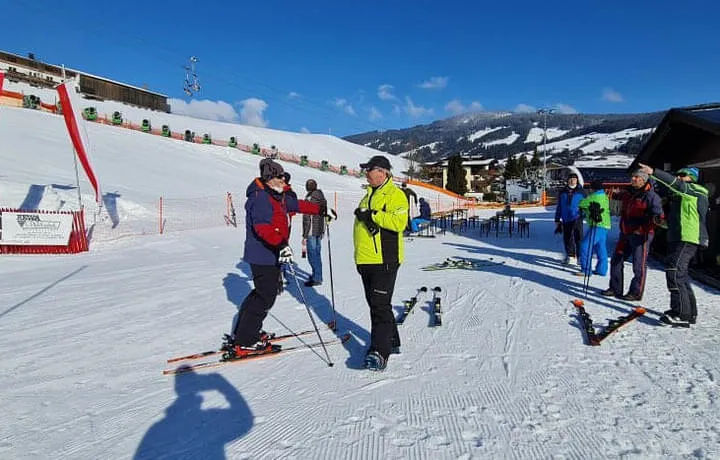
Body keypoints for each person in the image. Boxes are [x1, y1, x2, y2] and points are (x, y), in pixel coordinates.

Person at [225, 158, 332, 357]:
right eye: (281, 177)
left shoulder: (277, 195)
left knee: (260, 294)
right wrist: (281, 244)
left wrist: (321, 210)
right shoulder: (261, 197)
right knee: (266, 296)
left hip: (271, 253)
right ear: (269, 178)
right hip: (263, 254)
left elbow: (297, 204)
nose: (284, 181)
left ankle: (244, 333)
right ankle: (246, 340)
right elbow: (263, 227)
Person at [354, 155, 408, 371]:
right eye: (365, 169)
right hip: (365, 260)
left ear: (383, 172)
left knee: (379, 306)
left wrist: (373, 215)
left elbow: (399, 222)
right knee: (376, 305)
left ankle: (379, 352)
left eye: (370, 169)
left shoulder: (395, 195)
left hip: (384, 260)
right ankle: (391, 341)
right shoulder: (367, 195)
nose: (366, 173)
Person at [638, 163, 709, 327]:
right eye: (679, 174)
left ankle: (681, 314)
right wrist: (662, 222)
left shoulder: (696, 190)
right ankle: (689, 312)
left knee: (674, 272)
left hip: (689, 237)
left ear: (692, 178)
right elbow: (678, 221)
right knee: (680, 274)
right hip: (680, 236)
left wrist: (653, 172)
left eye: (683, 175)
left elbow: (677, 184)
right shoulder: (681, 198)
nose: (679, 177)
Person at [601, 169, 663, 301]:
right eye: (632, 177)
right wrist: (610, 192)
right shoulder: (629, 193)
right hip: (625, 232)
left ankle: (635, 292)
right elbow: (615, 195)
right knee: (616, 260)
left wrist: (648, 222)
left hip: (641, 234)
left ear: (643, 179)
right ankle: (615, 288)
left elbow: (659, 216)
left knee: (638, 265)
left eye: (636, 177)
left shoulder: (651, 196)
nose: (633, 179)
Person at [576, 180, 611, 277]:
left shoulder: (594, 197)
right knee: (600, 247)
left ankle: (586, 270)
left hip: (597, 225)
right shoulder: (604, 196)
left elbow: (581, 203)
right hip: (605, 225)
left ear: (593, 188)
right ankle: (602, 270)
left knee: (585, 245)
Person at [554, 173, 585, 265]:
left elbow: (586, 204)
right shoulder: (562, 191)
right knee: (567, 238)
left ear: (577, 180)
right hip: (566, 218)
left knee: (578, 237)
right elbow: (559, 206)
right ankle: (570, 256)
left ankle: (580, 257)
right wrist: (557, 218)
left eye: (574, 179)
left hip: (577, 218)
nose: (572, 181)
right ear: (567, 180)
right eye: (570, 179)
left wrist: (583, 214)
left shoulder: (581, 192)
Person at [302, 179, 327, 287]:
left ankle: (317, 278)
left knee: (312, 255)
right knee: (317, 253)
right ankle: (317, 275)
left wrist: (305, 234)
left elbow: (308, 217)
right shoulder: (321, 197)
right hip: (319, 229)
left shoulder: (310, 198)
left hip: (312, 230)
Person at [278, 172, 298, 292]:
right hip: (279, 225)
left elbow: (293, 210)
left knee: (281, 247)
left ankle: (281, 273)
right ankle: (280, 273)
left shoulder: (288, 193)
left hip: (285, 225)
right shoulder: (278, 190)